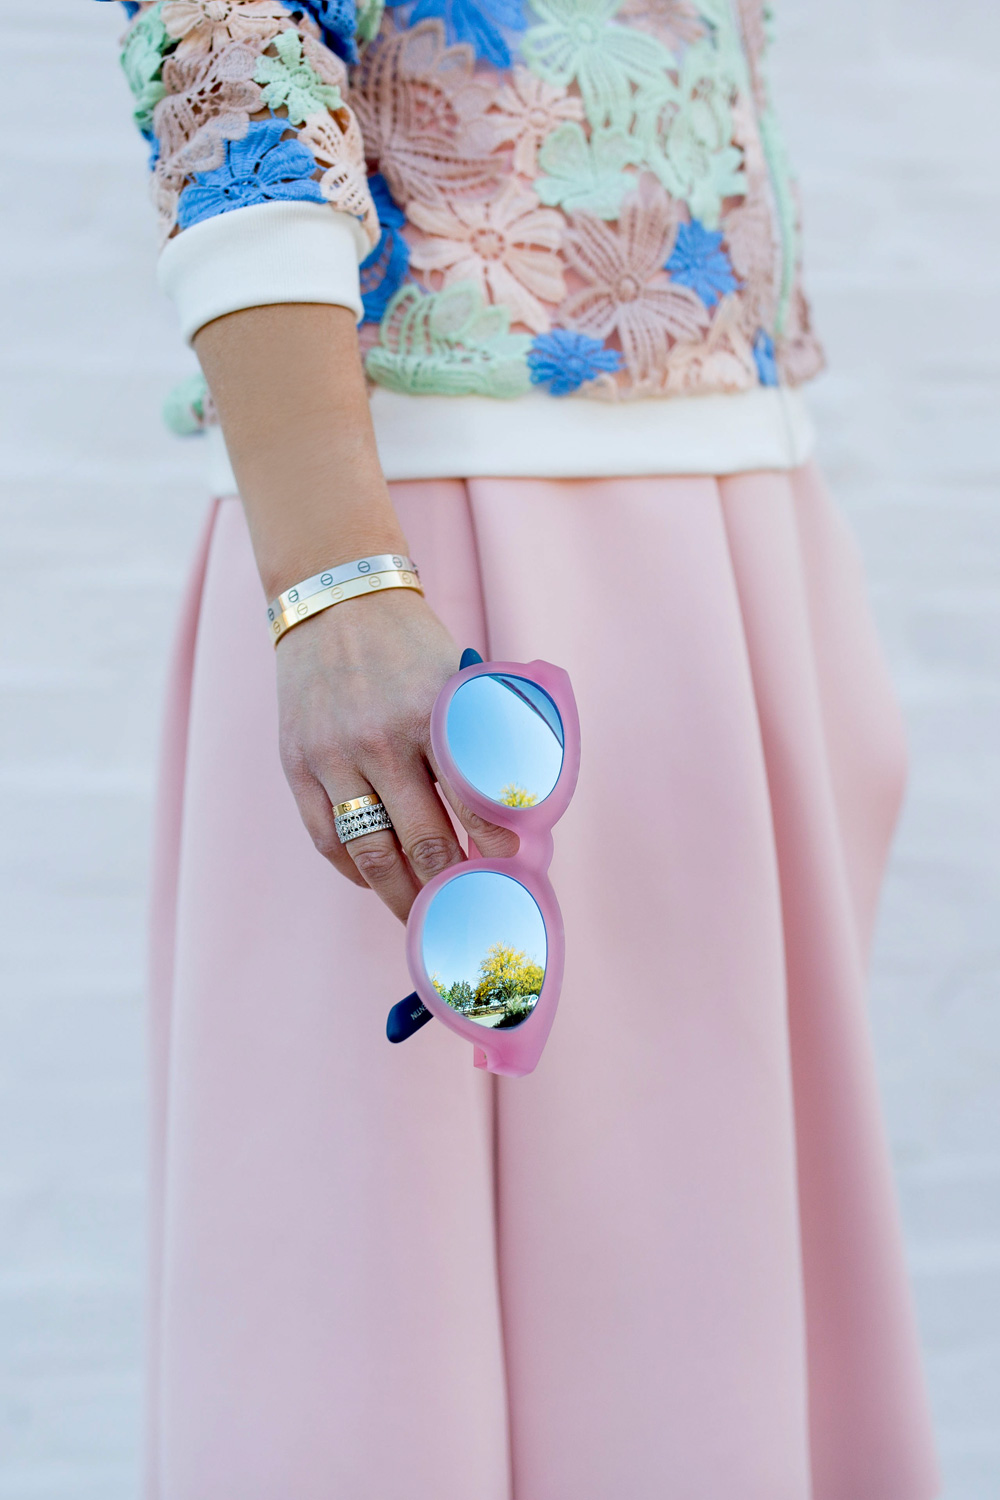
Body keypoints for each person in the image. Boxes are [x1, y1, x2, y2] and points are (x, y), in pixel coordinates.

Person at [101, 1, 939, 1495]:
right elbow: (226, 43)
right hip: (427, 574)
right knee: (363, 1338)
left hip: (736, 520)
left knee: (693, 1336)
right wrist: (337, 572)